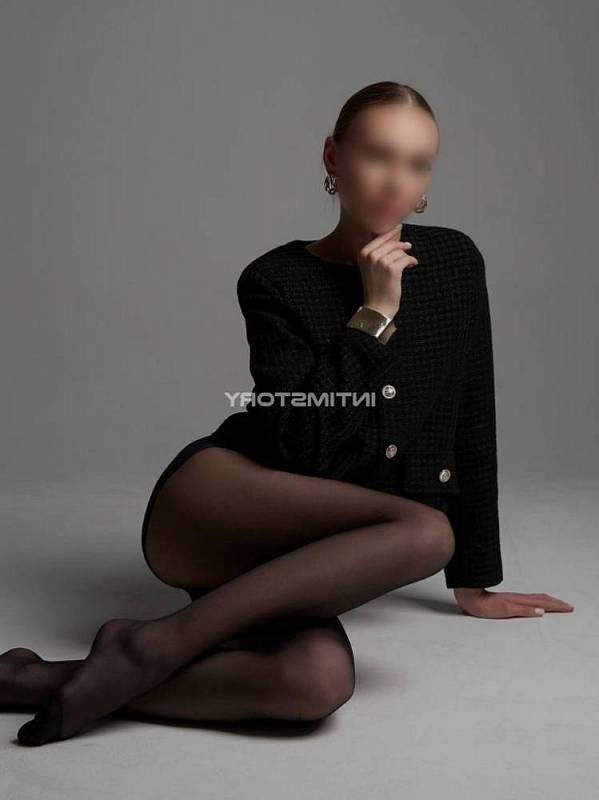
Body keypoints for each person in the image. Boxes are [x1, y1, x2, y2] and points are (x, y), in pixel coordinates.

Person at [5, 81, 574, 747]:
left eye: (417, 164)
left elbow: (471, 414)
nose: (396, 181)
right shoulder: (275, 280)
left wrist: (474, 581)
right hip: (221, 507)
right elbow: (306, 446)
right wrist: (374, 314)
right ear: (334, 158)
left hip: (307, 552)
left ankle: (35, 680)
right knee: (426, 533)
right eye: (378, 156)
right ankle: (152, 644)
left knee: (312, 685)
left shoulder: (453, 264)